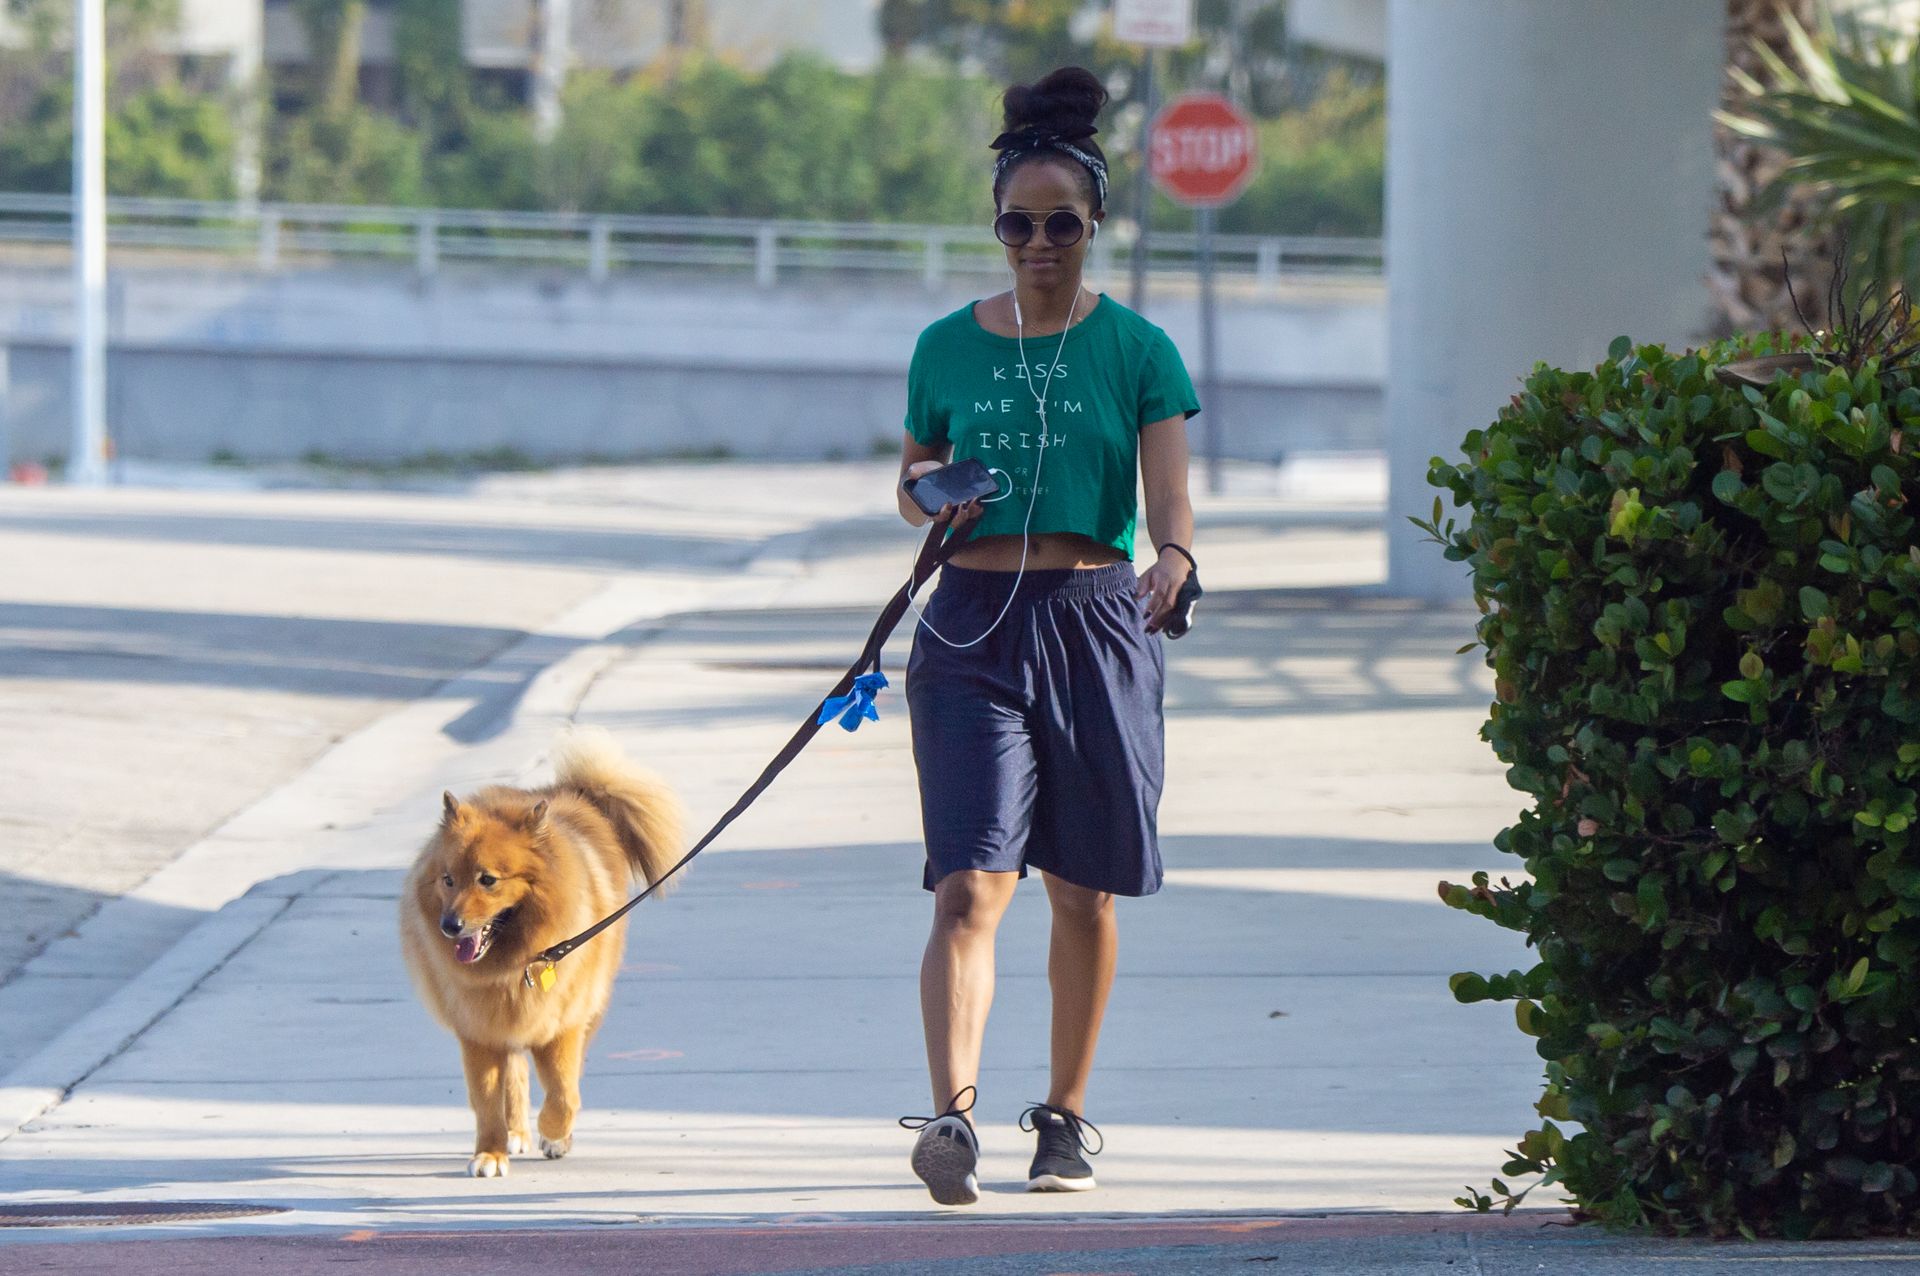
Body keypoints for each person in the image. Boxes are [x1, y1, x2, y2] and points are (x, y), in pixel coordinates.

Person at [892, 65, 1201, 1207]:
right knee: (970, 885)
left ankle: (1064, 1120)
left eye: (1058, 224)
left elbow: (1168, 500)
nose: (1036, 243)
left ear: (1094, 226)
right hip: (971, 624)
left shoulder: (1139, 350)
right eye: (1016, 224)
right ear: (996, 228)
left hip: (1095, 620)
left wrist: (1173, 563)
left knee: (1083, 889)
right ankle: (952, 1122)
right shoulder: (943, 346)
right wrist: (934, 499)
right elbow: (911, 479)